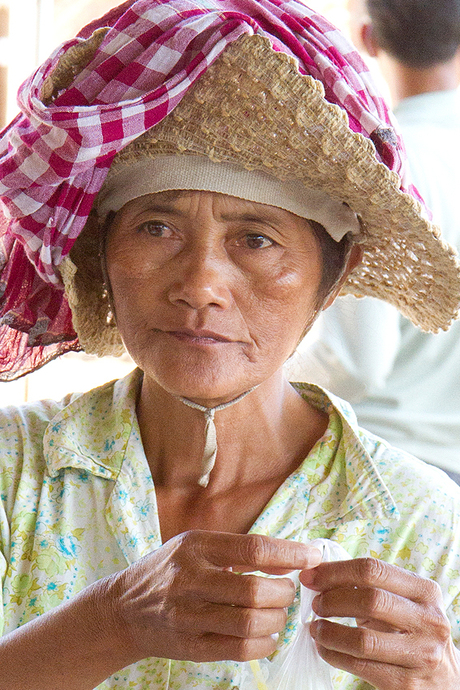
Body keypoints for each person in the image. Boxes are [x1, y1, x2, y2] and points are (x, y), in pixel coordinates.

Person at [0, 2, 460, 689]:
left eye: (256, 238)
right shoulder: (15, 474)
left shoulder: (422, 525)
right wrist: (116, 620)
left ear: (335, 277)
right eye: (157, 227)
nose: (201, 286)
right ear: (103, 256)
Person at [286, 0, 460, 482]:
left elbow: (354, 363)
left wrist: (250, 369)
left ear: (367, 40)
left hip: (389, 475)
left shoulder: (381, 167)